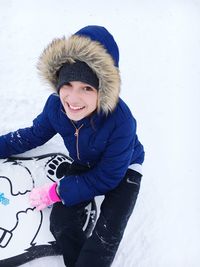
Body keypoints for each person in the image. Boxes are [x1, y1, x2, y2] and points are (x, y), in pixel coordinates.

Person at [0, 25, 145, 267]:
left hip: (125, 168)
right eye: (68, 84)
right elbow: (32, 135)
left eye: (87, 88)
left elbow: (108, 177)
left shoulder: (121, 121)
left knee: (104, 238)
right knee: (61, 222)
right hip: (85, 163)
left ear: (103, 90)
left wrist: (57, 191)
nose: (73, 98)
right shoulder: (56, 107)